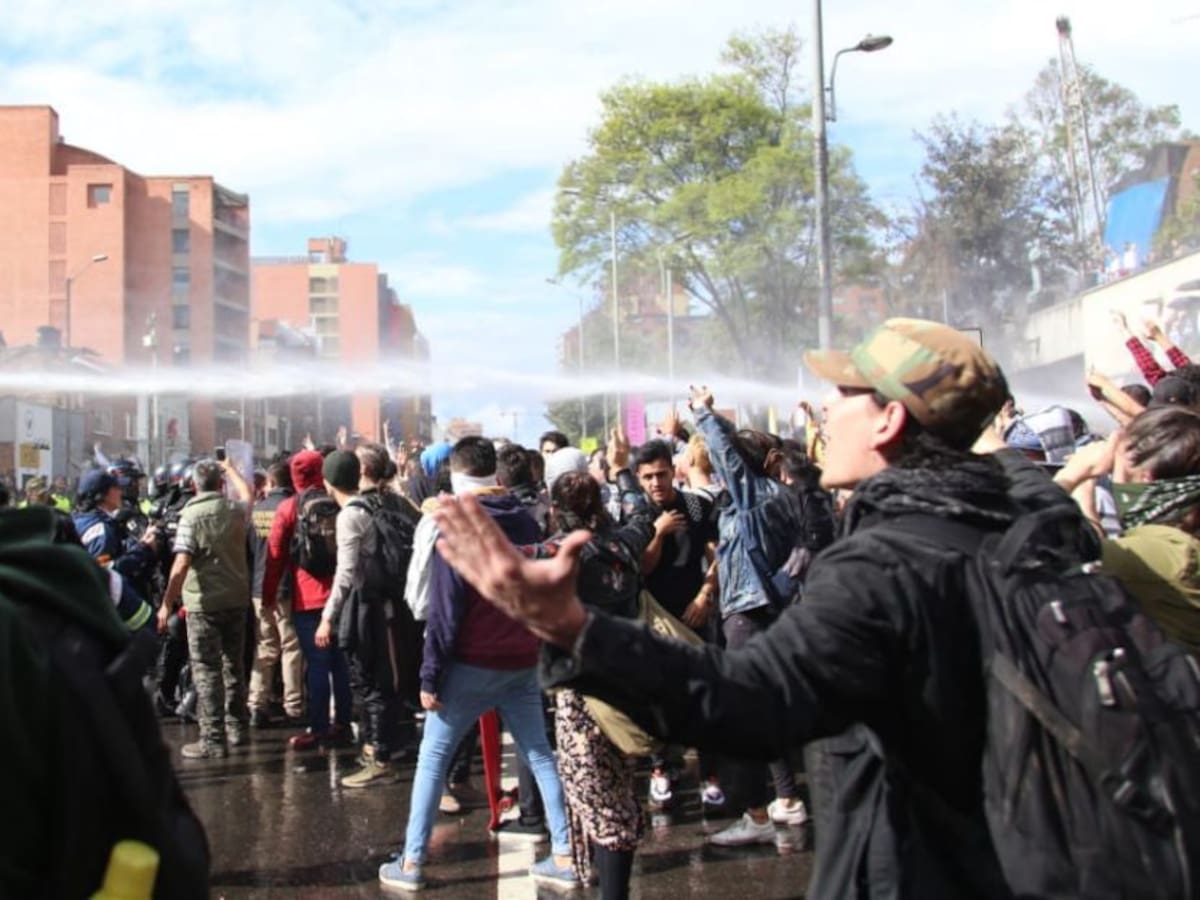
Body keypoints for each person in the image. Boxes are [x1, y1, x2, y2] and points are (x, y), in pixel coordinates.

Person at [430, 318, 1091, 900]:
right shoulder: (1030, 521)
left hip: (921, 870)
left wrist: (568, 627)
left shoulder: (882, 568)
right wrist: (1002, 447)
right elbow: (1036, 487)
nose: (826, 411)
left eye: (847, 395)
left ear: (889, 421)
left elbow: (752, 703)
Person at [380, 436, 575, 893]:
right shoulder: (525, 521)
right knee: (540, 753)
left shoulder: (460, 528)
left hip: (470, 663)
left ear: (457, 475)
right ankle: (565, 853)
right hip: (522, 659)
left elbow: (446, 612)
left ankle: (410, 862)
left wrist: (429, 675)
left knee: (432, 760)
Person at [689, 394, 810, 843]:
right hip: (770, 610)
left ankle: (757, 814)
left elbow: (724, 455)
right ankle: (786, 799)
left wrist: (703, 413)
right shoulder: (781, 496)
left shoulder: (755, 494)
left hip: (747, 614)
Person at [536, 469, 655, 899]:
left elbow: (509, 555)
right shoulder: (623, 543)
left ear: (556, 510)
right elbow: (643, 511)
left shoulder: (557, 551)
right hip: (627, 683)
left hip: (582, 695)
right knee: (617, 784)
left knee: (599, 797)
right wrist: (623, 472)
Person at [1056, 406, 1200, 653]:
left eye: (1116, 469)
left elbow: (1020, 549)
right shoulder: (1174, 547)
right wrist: (1087, 503)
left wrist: (1073, 475)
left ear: (1146, 478)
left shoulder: (1164, 554)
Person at [321, 445, 422, 788]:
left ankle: (379, 758)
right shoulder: (383, 502)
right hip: (390, 607)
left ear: (328, 482)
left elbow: (345, 573)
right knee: (380, 680)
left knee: (370, 682)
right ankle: (378, 749)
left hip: (367, 608)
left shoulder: (350, 515)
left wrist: (327, 617)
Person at [630, 438, 723, 810]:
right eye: (649, 477)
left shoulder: (698, 507)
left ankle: (710, 774)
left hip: (694, 612)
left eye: (662, 474)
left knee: (702, 694)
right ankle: (660, 768)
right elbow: (643, 567)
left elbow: (716, 553)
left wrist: (706, 594)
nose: (656, 483)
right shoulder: (635, 514)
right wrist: (659, 531)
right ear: (639, 479)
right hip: (654, 616)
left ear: (674, 471)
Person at [158, 458, 253, 760]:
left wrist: (165, 603)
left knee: (207, 670)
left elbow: (182, 563)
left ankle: (213, 738)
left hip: (203, 603)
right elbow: (248, 495)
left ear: (193, 485)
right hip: (236, 600)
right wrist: (231, 469)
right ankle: (237, 727)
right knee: (233, 666)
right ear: (220, 484)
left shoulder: (191, 515)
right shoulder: (234, 511)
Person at [263, 449, 355, 750]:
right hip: (342, 596)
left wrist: (268, 597)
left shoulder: (290, 507)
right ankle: (343, 724)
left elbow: (274, 556)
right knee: (340, 663)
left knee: (316, 666)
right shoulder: (338, 502)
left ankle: (317, 728)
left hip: (307, 599)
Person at [248, 460, 303, 728]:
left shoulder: (256, 510)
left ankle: (257, 704)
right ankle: (293, 705)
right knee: (290, 646)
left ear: (270, 483)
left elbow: (250, 549)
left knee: (265, 645)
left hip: (259, 585)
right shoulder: (293, 508)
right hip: (285, 585)